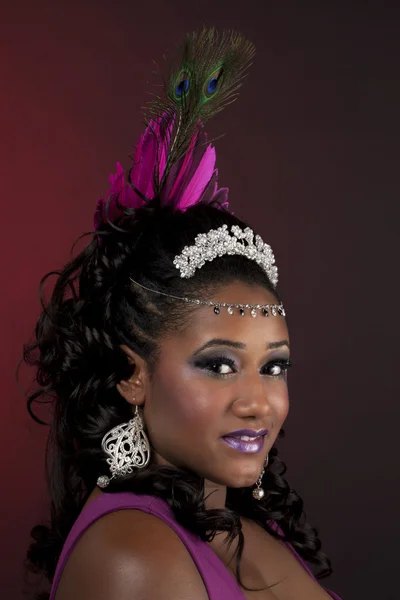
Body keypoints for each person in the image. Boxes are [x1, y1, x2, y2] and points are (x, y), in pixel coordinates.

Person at [23, 28, 342, 600]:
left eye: (274, 366)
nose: (256, 402)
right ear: (132, 373)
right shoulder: (133, 555)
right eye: (219, 364)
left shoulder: (238, 526)